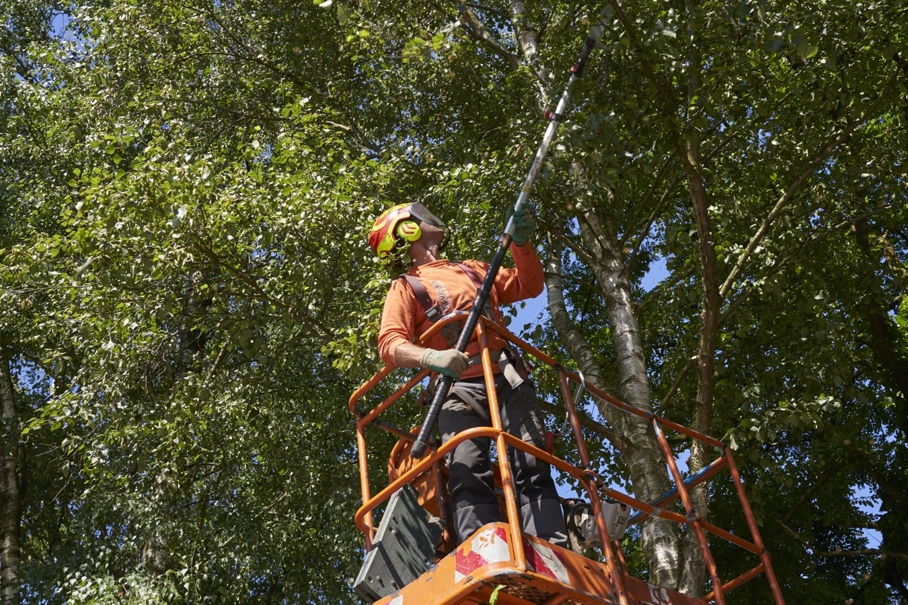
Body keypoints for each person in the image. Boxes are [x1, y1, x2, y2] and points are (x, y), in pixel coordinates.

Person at [369, 202, 568, 548]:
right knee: (467, 467)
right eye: (419, 213)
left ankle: (551, 545)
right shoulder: (406, 287)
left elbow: (528, 284)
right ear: (408, 229)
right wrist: (431, 356)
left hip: (507, 379)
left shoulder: (473, 270)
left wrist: (521, 245)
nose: (430, 215)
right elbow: (390, 343)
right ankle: (484, 550)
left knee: (532, 459)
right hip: (457, 391)